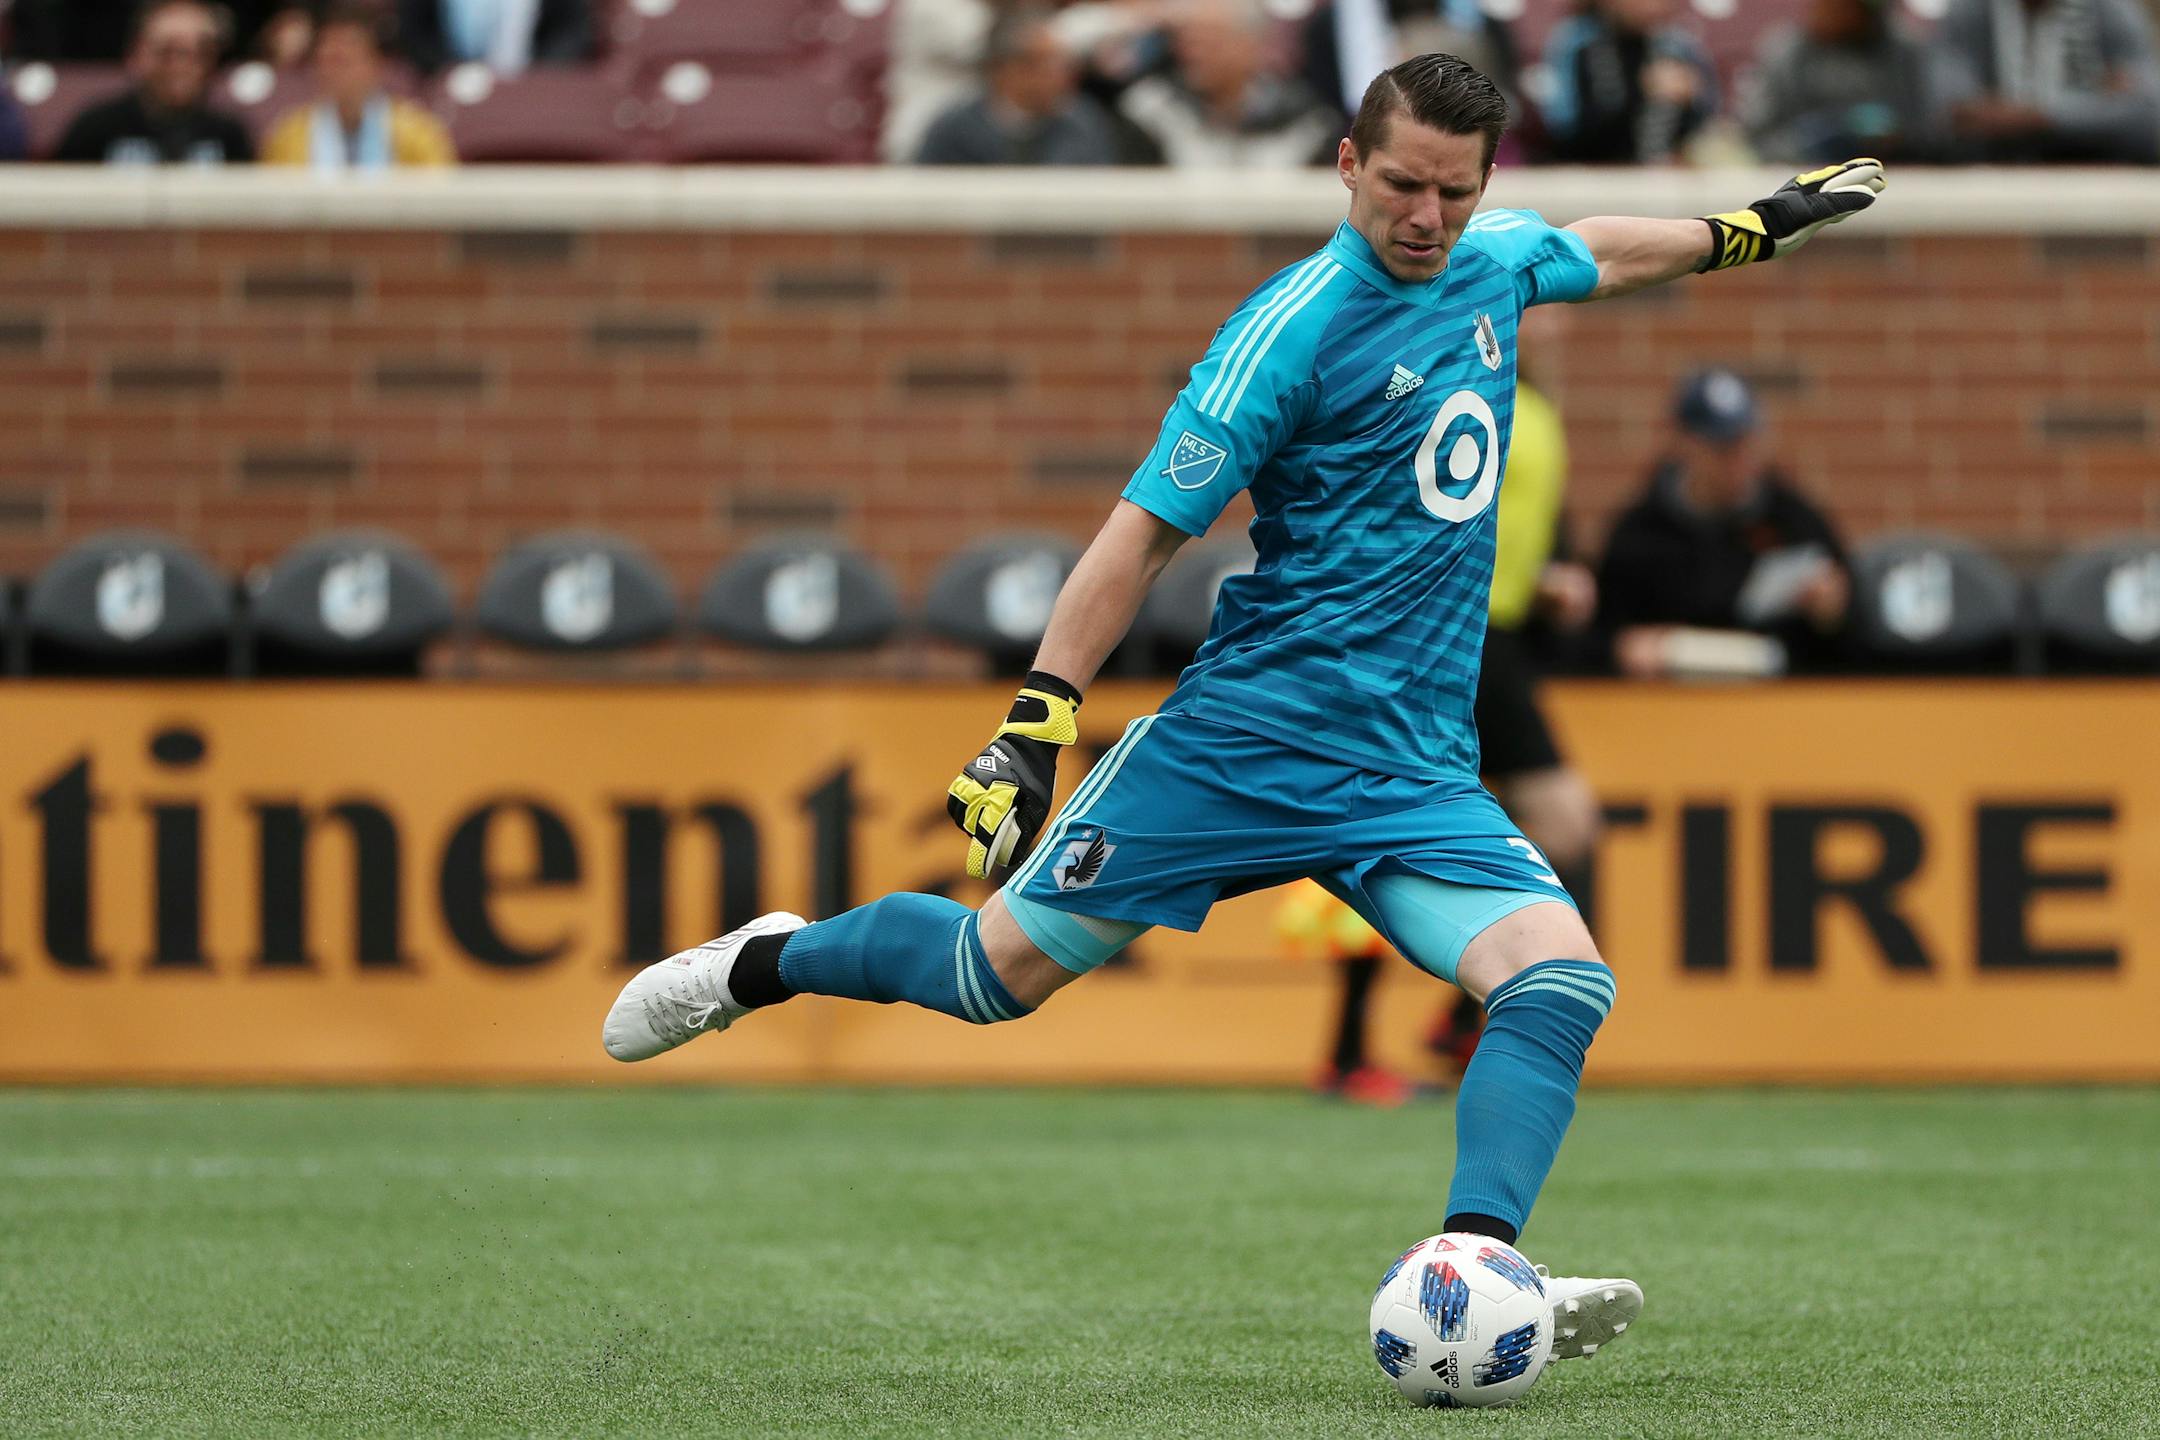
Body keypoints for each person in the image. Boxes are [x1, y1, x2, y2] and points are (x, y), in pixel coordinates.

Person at [603, 53, 1885, 1353]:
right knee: (987, 979)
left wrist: (1750, 227)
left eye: (1453, 192)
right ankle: (761, 964)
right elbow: (1139, 537)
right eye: (1401, 185)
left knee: (1558, 982)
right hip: (1242, 746)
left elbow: (1597, 250)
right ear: (1347, 163)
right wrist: (1036, 719)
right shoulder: (1287, 332)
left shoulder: (1494, 263)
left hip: (1411, 769)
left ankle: (1474, 1268)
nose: (1426, 217)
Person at [1596, 367, 1856, 679]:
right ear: (1686, 444)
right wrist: (1623, 647)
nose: (1740, 459)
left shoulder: (1793, 522)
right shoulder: (1640, 534)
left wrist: (1832, 613)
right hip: (1670, 697)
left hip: (1775, 695)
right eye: (1724, 448)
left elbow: (1849, 640)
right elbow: (1596, 637)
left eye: (1749, 442)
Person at [1117, 0, 1344, 168]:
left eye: (1210, 42)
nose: (1195, 53)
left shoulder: (1311, 123)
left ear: (1251, 46)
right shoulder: (1146, 112)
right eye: (1188, 42)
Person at [1934, 0, 2160, 164]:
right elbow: (1954, 115)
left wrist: (2028, 118)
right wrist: (2098, 105)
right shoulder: (1968, 11)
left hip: (2094, 180)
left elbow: (2145, 114)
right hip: (1990, 181)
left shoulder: (2110, 10)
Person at [1744, 0, 1950, 165]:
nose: (1826, 9)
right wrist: (1814, 146)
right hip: (1804, 178)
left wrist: (1891, 140)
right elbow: (1761, 135)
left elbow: (1927, 129)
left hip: (1896, 177)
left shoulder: (1905, 53)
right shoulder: (1787, 53)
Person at [53, 0, 256, 165]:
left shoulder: (229, 135)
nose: (181, 65)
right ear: (136, 53)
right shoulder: (96, 130)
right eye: (167, 51)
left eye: (200, 52)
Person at [916, 6, 1124, 165]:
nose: (1060, 74)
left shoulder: (1083, 124)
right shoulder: (955, 132)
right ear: (1002, 70)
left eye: (1062, 63)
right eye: (1044, 64)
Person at [262, 5, 456, 170]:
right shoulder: (287, 138)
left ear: (376, 66)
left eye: (345, 61)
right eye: (328, 60)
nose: (335, 72)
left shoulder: (420, 133)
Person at [1278, 879, 1417, 1106]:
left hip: (1345, 888)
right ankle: (1349, 1064)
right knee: (1360, 971)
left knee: (1360, 975)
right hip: (1351, 888)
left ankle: (1346, 1063)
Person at [1540, 0, 1720, 165]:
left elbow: (1706, 121)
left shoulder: (1676, 45)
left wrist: (1690, 100)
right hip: (1592, 171)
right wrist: (1640, 90)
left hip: (1662, 171)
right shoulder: (1576, 42)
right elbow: (1564, 129)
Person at [395, 0, 592, 76]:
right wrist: (449, 71)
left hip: (533, 84)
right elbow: (415, 32)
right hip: (449, 84)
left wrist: (540, 75)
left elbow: (570, 30)